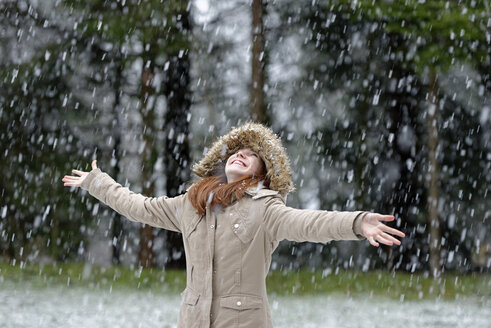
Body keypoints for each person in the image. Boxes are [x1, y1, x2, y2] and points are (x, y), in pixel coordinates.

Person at [62, 122, 405, 328]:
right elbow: (138, 206)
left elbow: (310, 222)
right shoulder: (192, 203)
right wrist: (98, 183)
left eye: (250, 154)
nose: (239, 155)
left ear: (262, 171)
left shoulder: (267, 209)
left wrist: (358, 223)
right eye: (235, 151)